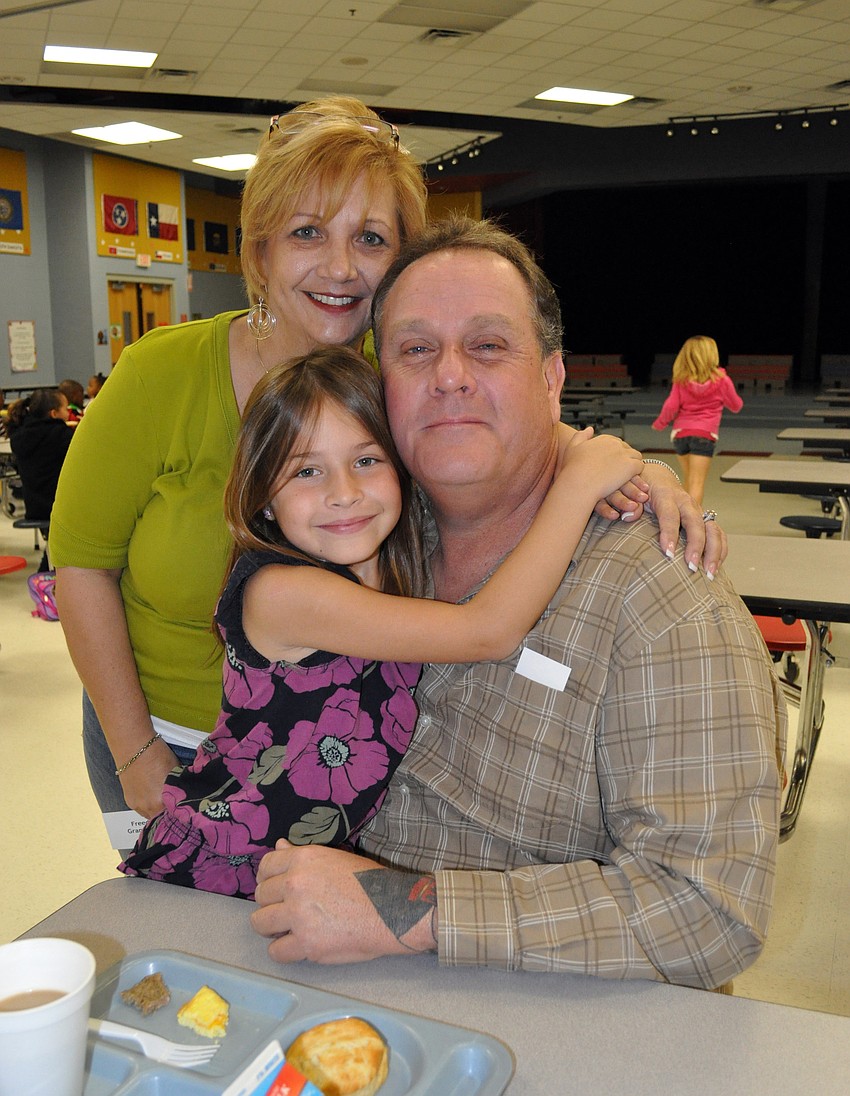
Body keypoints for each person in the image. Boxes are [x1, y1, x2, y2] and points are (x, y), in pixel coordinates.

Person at [50, 96, 716, 829]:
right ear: (261, 251)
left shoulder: (394, 374)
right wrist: (136, 751)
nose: (340, 268)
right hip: (166, 747)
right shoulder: (159, 375)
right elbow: (82, 566)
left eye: (370, 239)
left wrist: (641, 472)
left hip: (331, 754)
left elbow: (514, 420)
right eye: (307, 232)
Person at [250, 217, 785, 991]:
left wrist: (405, 910)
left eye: (489, 345)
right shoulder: (359, 541)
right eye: (416, 349)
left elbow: (709, 909)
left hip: (546, 1015)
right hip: (331, 976)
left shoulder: (663, 597)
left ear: (552, 379)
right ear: (380, 385)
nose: (450, 377)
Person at [120, 347, 642, 898]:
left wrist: (612, 459)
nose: (344, 494)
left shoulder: (389, 566)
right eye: (306, 471)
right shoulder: (283, 592)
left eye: (367, 461)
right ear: (264, 498)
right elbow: (488, 631)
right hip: (214, 868)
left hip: (297, 876)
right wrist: (578, 485)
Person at [651, 336, 743, 505]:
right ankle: (693, 519)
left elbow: (671, 405)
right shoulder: (722, 380)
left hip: (680, 434)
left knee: (688, 480)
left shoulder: (681, 380)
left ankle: (682, 516)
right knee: (697, 482)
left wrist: (660, 423)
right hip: (704, 435)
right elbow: (736, 406)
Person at [6, 388, 73, 521]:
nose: (68, 413)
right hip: (62, 508)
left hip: (34, 509)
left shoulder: (19, 436)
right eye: (66, 409)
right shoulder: (62, 435)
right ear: (54, 413)